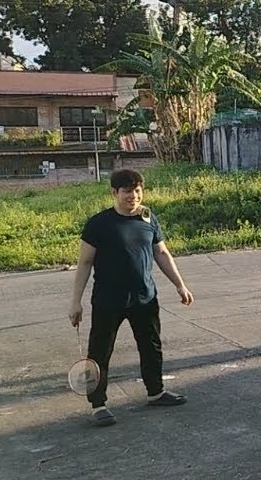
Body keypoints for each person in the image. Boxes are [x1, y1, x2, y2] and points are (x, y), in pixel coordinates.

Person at [68, 169, 194, 426]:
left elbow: (162, 254)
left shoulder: (148, 219)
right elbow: (84, 263)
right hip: (108, 300)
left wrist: (180, 285)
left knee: (151, 347)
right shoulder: (98, 224)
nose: (133, 196)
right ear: (114, 192)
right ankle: (98, 404)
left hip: (144, 298)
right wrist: (75, 301)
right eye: (127, 191)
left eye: (137, 190)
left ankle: (156, 392)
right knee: (100, 352)